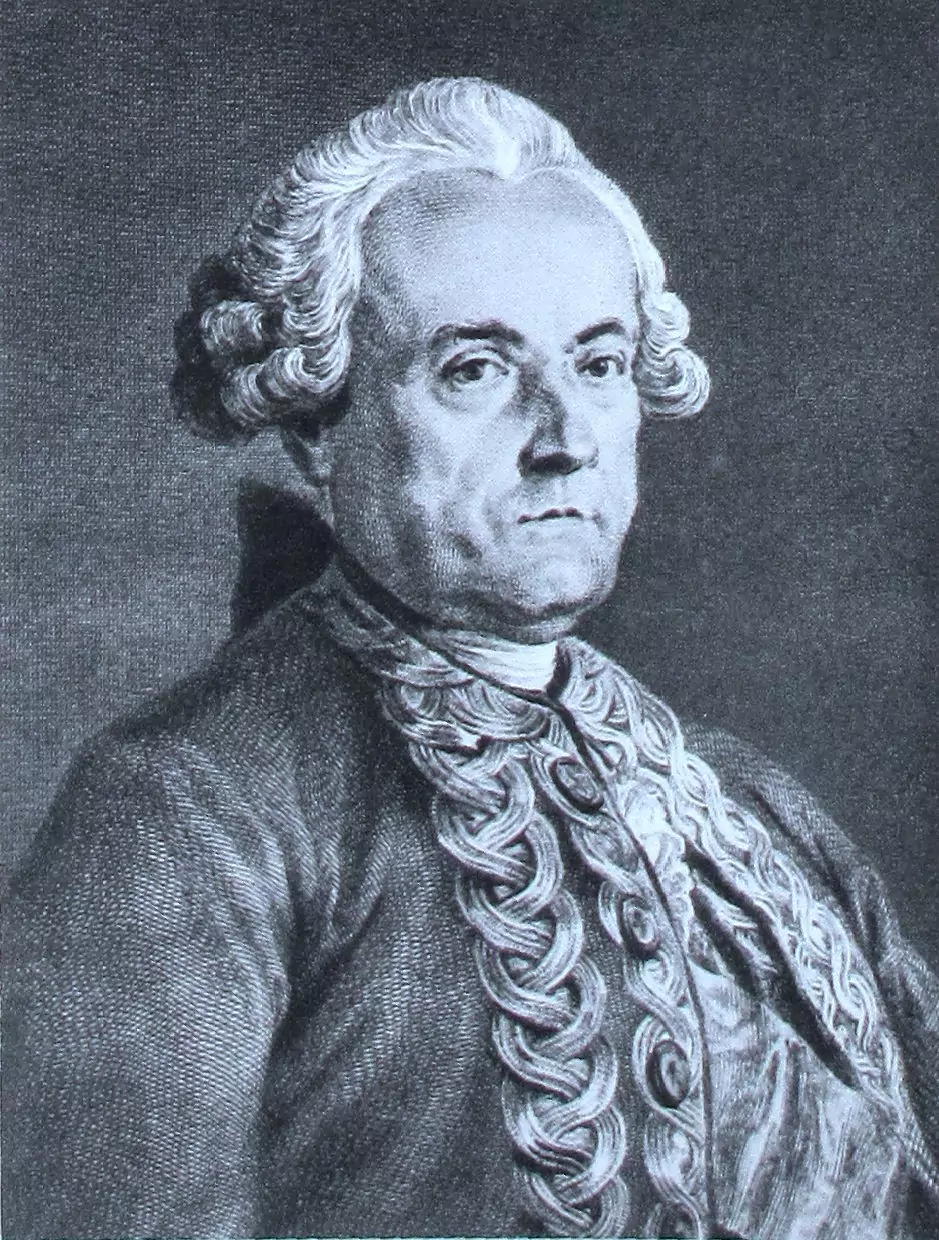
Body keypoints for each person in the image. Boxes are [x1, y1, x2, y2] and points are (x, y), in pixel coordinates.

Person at [4, 77, 938, 1240]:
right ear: (317, 422)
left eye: (598, 364)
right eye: (477, 370)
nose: (565, 439)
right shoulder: (186, 813)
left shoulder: (755, 808)